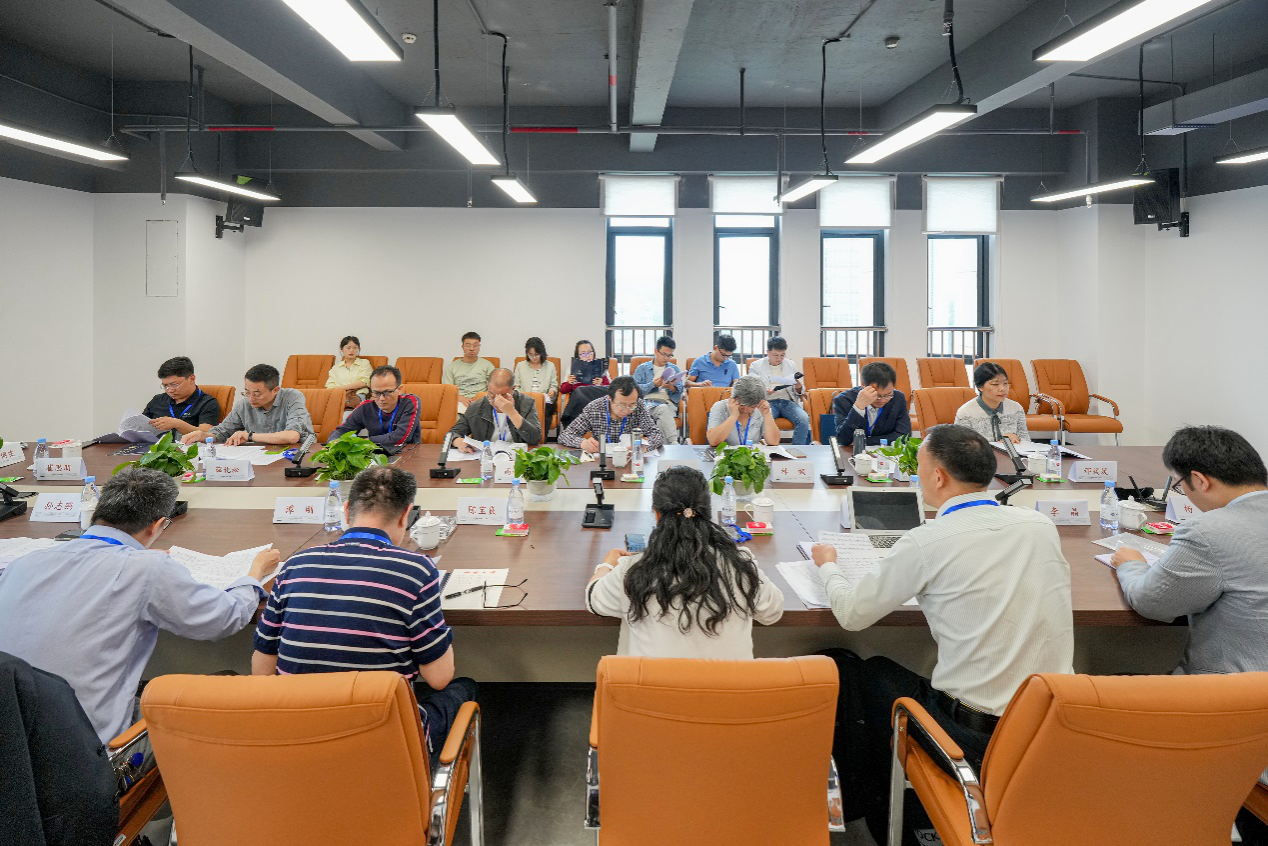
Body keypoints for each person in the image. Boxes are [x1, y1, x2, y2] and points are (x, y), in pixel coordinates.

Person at [810, 424, 1072, 843]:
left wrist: (827, 564)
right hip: (1049, 725)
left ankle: (876, 817)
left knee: (863, 671)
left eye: (919, 466)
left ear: (937, 476)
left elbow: (851, 614)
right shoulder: (1039, 525)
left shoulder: (928, 540)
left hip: (974, 736)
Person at [0, 468, 279, 743]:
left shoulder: (25, 563)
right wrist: (254, 572)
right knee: (225, 684)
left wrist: (137, 557)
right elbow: (225, 618)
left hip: (12, 738)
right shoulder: (146, 569)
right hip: (88, 751)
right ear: (157, 525)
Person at [252, 466, 476, 768]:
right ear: (406, 515)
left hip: (299, 740)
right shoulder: (417, 569)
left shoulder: (296, 565)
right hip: (385, 746)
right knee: (462, 687)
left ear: (346, 510)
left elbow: (262, 673)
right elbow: (439, 678)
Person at [1109, 426, 1268, 674]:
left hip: (1239, 689)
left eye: (1180, 485)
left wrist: (1132, 564)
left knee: (1109, 679)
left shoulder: (1207, 531)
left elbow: (1152, 602)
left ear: (1200, 480)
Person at [585, 466, 784, 657]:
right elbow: (772, 612)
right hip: (729, 682)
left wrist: (606, 565)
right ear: (708, 511)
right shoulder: (740, 564)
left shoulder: (633, 569)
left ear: (657, 514)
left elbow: (594, 600)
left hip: (651, 681)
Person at [183, 363, 314, 446]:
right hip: (261, 455)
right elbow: (222, 432)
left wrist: (249, 436)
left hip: (297, 452)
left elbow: (292, 436)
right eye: (247, 392)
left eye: (257, 393)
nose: (251, 398)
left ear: (275, 390)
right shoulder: (244, 404)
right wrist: (203, 435)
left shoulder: (292, 397)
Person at [559, 376, 666, 453]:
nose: (626, 410)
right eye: (621, 405)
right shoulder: (594, 408)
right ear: (610, 398)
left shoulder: (639, 405)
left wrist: (644, 446)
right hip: (600, 459)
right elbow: (565, 436)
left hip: (628, 458)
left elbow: (657, 435)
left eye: (631, 405)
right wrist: (582, 443)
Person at [450, 367, 543, 451]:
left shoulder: (526, 403)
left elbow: (535, 438)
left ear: (513, 389)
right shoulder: (476, 407)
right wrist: (458, 441)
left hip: (517, 456)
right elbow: (452, 434)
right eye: (492, 394)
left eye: (503, 395)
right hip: (486, 457)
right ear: (488, 387)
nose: (496, 400)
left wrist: (512, 413)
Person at [330, 365, 421, 448]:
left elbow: (400, 438)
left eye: (387, 392)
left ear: (399, 389)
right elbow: (342, 431)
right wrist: (335, 442)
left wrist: (366, 441)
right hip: (375, 454)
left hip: (406, 453)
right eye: (376, 393)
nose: (381, 398)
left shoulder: (410, 402)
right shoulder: (366, 407)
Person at [747, 336, 810, 445]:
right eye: (776, 355)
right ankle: (766, 450)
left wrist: (798, 387)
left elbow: (800, 390)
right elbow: (752, 387)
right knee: (762, 420)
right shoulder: (756, 366)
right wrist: (764, 390)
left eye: (782, 355)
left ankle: (798, 449)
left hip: (788, 402)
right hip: (768, 402)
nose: (779, 358)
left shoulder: (790, 364)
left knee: (804, 418)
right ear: (768, 352)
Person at [832, 361, 910, 446]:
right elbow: (843, 440)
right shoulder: (844, 400)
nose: (882, 400)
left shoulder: (898, 398)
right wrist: (858, 407)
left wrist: (864, 441)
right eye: (878, 395)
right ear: (863, 385)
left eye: (888, 395)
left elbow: (904, 436)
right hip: (853, 452)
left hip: (885, 452)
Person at [141, 356, 221, 438]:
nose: (170, 390)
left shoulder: (207, 403)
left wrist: (177, 424)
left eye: (174, 384)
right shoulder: (158, 400)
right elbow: (140, 425)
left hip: (186, 445)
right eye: (165, 386)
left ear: (192, 379)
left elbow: (207, 434)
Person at [954, 361, 1029, 444]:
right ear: (980, 387)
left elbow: (1026, 441)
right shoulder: (966, 413)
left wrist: (1016, 438)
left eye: (1005, 383)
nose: (1002, 389)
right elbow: (961, 447)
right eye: (995, 384)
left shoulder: (1016, 408)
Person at [632, 335, 681, 445]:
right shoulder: (642, 368)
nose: (666, 358)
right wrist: (652, 385)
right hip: (646, 405)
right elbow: (634, 391)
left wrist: (670, 387)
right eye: (664, 354)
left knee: (660, 422)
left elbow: (679, 391)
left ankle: (659, 450)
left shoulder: (674, 369)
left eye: (669, 355)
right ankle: (674, 442)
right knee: (662, 409)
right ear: (656, 351)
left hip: (667, 403)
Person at [706, 375, 780, 448]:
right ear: (733, 398)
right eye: (742, 405)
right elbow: (713, 441)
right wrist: (733, 416)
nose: (745, 410)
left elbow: (773, 442)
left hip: (752, 453)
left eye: (752, 406)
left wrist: (767, 415)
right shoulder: (720, 406)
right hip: (724, 453)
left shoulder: (762, 407)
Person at [559, 339, 610, 430]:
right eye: (583, 354)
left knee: (581, 391)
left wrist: (601, 383)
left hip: (596, 398)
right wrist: (569, 383)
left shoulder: (600, 366)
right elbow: (563, 390)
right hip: (580, 399)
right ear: (578, 356)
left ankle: (568, 420)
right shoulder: (572, 368)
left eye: (590, 352)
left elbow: (610, 388)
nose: (587, 356)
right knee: (579, 391)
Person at [442, 331, 495, 409]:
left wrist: (480, 398)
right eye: (468, 345)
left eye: (475, 345)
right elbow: (448, 390)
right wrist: (461, 399)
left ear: (479, 347)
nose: (472, 349)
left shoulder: (488, 365)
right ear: (462, 347)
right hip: (459, 401)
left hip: (482, 401)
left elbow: (494, 388)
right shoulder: (452, 367)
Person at [513, 337, 559, 422]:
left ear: (542, 353)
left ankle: (542, 431)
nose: (534, 357)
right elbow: (516, 386)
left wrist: (552, 391)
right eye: (531, 355)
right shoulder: (520, 366)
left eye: (537, 354)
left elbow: (554, 385)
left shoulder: (550, 366)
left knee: (546, 412)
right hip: (525, 401)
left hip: (544, 402)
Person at [326, 335, 373, 408]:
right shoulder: (336, 368)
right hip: (338, 396)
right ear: (342, 349)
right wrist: (342, 391)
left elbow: (363, 382)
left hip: (357, 396)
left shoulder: (364, 363)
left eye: (355, 347)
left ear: (358, 349)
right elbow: (330, 387)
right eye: (348, 348)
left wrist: (342, 388)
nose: (351, 350)